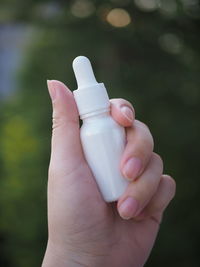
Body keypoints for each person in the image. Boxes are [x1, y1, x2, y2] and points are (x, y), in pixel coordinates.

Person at [42, 80, 176, 267]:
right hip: (86, 246)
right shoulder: (86, 133)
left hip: (129, 218)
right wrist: (73, 257)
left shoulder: (104, 127)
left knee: (128, 131)